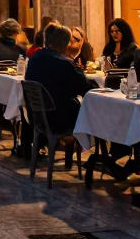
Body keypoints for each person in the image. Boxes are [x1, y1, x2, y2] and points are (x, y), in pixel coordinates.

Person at [25, 23, 96, 165]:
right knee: (94, 108)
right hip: (60, 119)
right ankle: (102, 152)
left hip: (37, 117)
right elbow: (85, 88)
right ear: (65, 44)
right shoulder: (64, 64)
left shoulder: (34, 58)